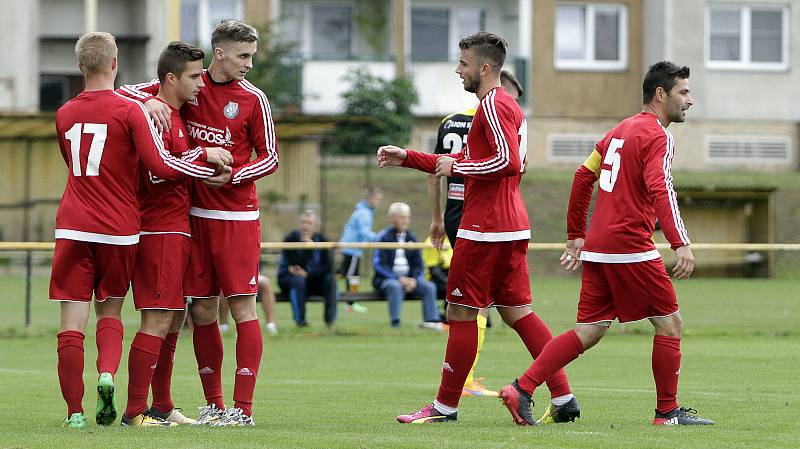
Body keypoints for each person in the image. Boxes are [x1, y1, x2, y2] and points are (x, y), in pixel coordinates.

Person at [499, 62, 714, 427]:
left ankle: (521, 389)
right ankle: (667, 413)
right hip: (629, 244)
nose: (690, 100)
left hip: (601, 246)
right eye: (684, 92)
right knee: (670, 324)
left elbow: (584, 174)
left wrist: (576, 234)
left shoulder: (618, 131)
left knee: (590, 329)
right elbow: (662, 187)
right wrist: (681, 242)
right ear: (660, 95)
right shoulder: (657, 135)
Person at [377, 32, 578, 424]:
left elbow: (505, 163)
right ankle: (564, 396)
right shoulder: (504, 104)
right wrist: (409, 158)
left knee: (461, 312)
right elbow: (472, 157)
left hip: (486, 228)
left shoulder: (491, 105)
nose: (458, 70)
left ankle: (444, 407)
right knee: (518, 312)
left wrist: (461, 168)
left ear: (484, 68)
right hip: (511, 224)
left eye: (463, 63)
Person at [51, 32, 220, 429]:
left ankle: (75, 413)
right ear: (115, 64)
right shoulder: (132, 111)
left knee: (71, 323)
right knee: (112, 311)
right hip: (120, 227)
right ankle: (112, 379)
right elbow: (159, 168)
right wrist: (205, 159)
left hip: (72, 225)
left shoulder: (63, 113)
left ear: (79, 67)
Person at [122, 19, 279, 427]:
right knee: (203, 309)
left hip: (236, 218)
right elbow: (125, 91)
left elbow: (271, 157)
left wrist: (237, 174)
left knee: (243, 307)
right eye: (243, 56)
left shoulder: (253, 98)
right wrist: (149, 101)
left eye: (252, 56)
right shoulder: (191, 85)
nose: (249, 63)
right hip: (193, 218)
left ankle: (242, 410)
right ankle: (214, 404)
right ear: (220, 53)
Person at [122, 41, 234, 428]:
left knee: (171, 319)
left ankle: (162, 405)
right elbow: (157, 172)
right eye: (192, 76)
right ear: (170, 79)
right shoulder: (155, 116)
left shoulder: (176, 114)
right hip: (157, 231)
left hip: (177, 229)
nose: (201, 83)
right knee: (156, 319)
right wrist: (204, 157)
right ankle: (134, 412)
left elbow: (179, 164)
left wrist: (206, 159)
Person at [426, 70, 525, 398]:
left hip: (464, 216)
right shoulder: (500, 114)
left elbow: (440, 169)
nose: (457, 70)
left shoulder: (452, 120)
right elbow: (513, 165)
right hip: (487, 219)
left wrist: (436, 217)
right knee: (481, 307)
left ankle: (452, 396)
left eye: (462, 64)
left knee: (479, 307)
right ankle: (463, 383)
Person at [372, 203, 442, 330]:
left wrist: (415, 279)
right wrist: (397, 278)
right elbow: (379, 265)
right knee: (395, 286)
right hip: (388, 280)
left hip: (410, 280)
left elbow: (418, 264)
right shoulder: (383, 237)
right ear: (392, 219)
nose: (405, 221)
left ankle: (431, 322)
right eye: (401, 217)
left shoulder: (411, 237)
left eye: (407, 217)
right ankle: (395, 323)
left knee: (429, 287)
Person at [277, 210, 338, 328]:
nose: (305, 226)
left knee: (331, 280)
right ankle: (301, 322)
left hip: (312, 279)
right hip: (289, 279)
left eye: (309, 223)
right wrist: (307, 248)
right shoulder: (291, 238)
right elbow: (294, 265)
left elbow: (327, 267)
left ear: (316, 227)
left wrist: (308, 273)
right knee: (298, 280)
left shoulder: (322, 240)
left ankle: (330, 322)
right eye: (303, 222)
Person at [338, 186, 383, 312]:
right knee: (351, 276)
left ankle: (351, 303)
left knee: (349, 275)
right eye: (377, 199)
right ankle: (351, 304)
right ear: (370, 199)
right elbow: (365, 232)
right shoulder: (364, 213)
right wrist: (381, 238)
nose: (379, 202)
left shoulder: (363, 211)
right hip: (352, 249)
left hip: (353, 249)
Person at [421, 234, 452, 300]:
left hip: (449, 275)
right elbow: (434, 270)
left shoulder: (453, 239)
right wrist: (449, 282)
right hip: (434, 278)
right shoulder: (431, 241)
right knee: (452, 289)